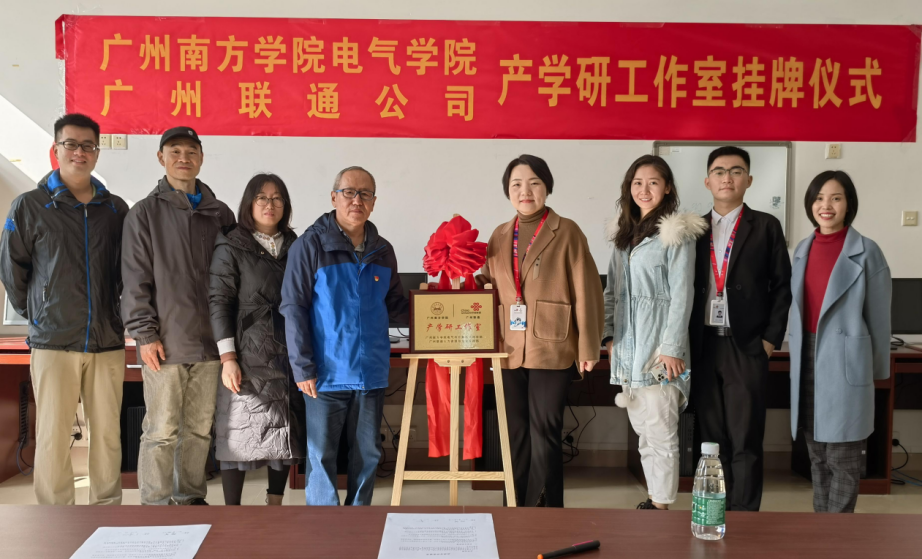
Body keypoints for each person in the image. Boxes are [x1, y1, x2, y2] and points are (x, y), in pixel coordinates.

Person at [0, 113, 129, 505]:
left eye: (88, 146)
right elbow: (12, 270)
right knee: (54, 436)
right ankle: (56, 520)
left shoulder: (115, 209)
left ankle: (106, 512)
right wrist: (39, 314)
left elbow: (127, 271)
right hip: (53, 341)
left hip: (106, 340)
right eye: (71, 144)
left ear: (97, 152)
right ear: (55, 149)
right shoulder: (30, 206)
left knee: (107, 435)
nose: (79, 152)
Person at [477, 154, 603, 507]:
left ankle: (545, 510)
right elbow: (487, 284)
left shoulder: (568, 231)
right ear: (508, 191)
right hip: (508, 347)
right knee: (514, 432)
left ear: (547, 187)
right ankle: (514, 506)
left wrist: (588, 347)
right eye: (516, 184)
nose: (525, 191)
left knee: (545, 430)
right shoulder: (500, 235)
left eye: (534, 183)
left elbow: (587, 290)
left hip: (553, 344)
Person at [281, 166, 408, 506]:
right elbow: (293, 308)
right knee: (321, 456)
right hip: (325, 375)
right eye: (349, 192)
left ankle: (359, 522)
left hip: (371, 371)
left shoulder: (383, 250)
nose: (356, 200)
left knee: (368, 454)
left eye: (365, 194)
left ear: (374, 202)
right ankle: (324, 529)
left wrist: (441, 303)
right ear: (333, 197)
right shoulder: (310, 245)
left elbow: (397, 306)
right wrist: (302, 368)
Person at [121, 127, 236, 505]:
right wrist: (144, 333)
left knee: (200, 429)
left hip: (211, 344)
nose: (183, 158)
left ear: (201, 158)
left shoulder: (220, 213)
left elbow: (233, 276)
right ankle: (155, 504)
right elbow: (135, 278)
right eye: (175, 151)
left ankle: (189, 497)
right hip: (165, 342)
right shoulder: (144, 213)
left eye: (191, 151)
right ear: (161, 158)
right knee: (161, 430)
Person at [688, 146, 792, 511]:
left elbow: (782, 287)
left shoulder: (765, 226)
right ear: (707, 181)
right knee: (711, 438)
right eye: (719, 171)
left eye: (736, 171)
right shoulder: (694, 229)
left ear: (749, 180)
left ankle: (745, 517)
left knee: (745, 436)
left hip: (746, 346)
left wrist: (770, 340)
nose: (727, 178)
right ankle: (715, 510)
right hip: (703, 346)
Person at [603, 154, 705, 510]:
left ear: (668, 188)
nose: (644, 189)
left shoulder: (676, 234)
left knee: (662, 432)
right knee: (644, 432)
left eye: (653, 182)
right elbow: (612, 292)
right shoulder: (623, 236)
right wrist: (608, 336)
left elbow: (682, 294)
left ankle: (661, 506)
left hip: (662, 352)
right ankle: (654, 498)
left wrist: (672, 347)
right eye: (637, 183)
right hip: (628, 350)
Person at [788, 171, 890, 513]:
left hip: (846, 361)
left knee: (842, 460)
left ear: (849, 205)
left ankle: (838, 533)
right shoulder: (802, 250)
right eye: (819, 198)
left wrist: (875, 373)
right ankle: (823, 532)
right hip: (807, 357)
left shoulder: (867, 251)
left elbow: (879, 318)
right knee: (817, 458)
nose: (826, 205)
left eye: (835, 198)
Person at [209, 173, 305, 505]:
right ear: (249, 203)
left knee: (284, 425)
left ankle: (274, 502)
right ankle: (232, 511)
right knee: (238, 429)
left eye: (277, 198)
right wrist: (228, 358)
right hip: (247, 347)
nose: (269, 204)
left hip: (288, 345)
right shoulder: (232, 243)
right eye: (261, 197)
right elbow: (219, 300)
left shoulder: (295, 244)